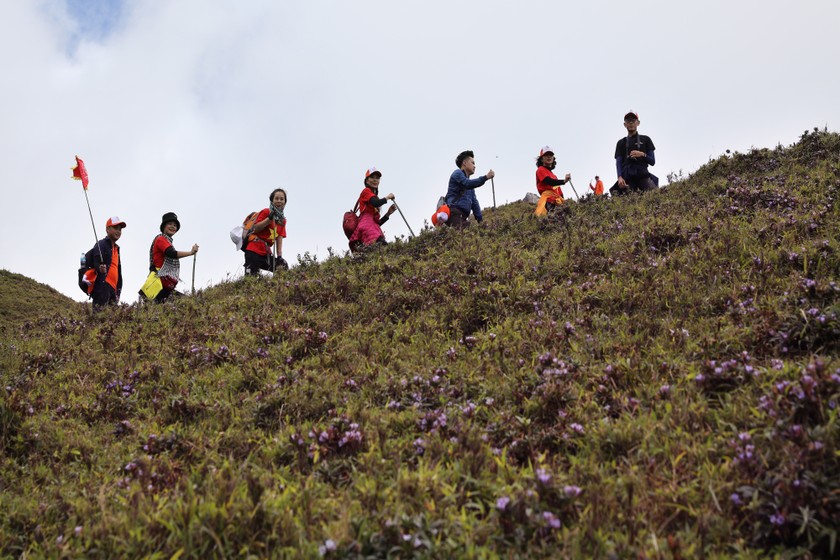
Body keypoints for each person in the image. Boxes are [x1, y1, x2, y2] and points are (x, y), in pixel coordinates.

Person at [145, 212, 198, 302]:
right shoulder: (161, 239)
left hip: (163, 286)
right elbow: (171, 253)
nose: (173, 226)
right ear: (163, 226)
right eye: (169, 224)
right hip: (158, 285)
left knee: (185, 303)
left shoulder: (166, 241)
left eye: (175, 225)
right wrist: (190, 252)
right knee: (186, 303)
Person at [349, 167, 396, 252]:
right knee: (384, 248)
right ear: (367, 180)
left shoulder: (373, 196)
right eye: (372, 177)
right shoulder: (366, 191)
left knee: (379, 251)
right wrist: (387, 197)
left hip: (370, 228)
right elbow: (376, 203)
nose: (375, 180)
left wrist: (388, 214)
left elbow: (377, 224)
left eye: (377, 178)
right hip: (367, 227)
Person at [611, 111, 658, 196]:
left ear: (638, 123)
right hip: (627, 177)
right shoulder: (621, 143)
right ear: (625, 124)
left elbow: (652, 161)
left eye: (633, 120)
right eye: (628, 121)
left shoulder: (646, 139)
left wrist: (642, 154)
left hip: (642, 175)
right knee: (626, 204)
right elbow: (618, 162)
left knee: (655, 195)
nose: (631, 123)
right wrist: (619, 177)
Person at [445, 150, 495, 228]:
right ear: (464, 163)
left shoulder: (470, 188)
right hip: (454, 213)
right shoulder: (457, 173)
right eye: (473, 163)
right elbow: (467, 183)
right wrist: (486, 177)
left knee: (469, 234)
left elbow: (475, 204)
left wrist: (481, 222)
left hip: (462, 216)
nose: (475, 166)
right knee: (464, 235)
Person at [244, 188, 288, 276]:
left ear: (285, 202)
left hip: (266, 252)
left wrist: (279, 256)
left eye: (282, 199)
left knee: (282, 267)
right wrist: (269, 219)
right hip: (253, 249)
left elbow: (279, 237)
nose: (279, 201)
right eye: (276, 198)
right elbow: (255, 228)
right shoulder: (266, 212)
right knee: (250, 278)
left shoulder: (282, 220)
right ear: (272, 200)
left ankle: (278, 288)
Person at [88, 216, 126, 309]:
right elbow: (95, 261)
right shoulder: (101, 244)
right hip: (102, 287)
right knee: (99, 318)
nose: (118, 231)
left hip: (114, 291)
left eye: (120, 229)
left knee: (110, 321)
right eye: (116, 228)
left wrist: (118, 291)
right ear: (107, 229)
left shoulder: (117, 249)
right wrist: (99, 267)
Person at [534, 146, 571, 216]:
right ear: (541, 159)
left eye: (550, 155)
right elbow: (549, 181)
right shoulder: (540, 169)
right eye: (546, 155)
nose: (549, 157)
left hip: (557, 202)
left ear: (553, 159)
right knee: (549, 220)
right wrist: (564, 181)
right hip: (548, 201)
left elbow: (560, 192)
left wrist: (563, 201)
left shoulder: (554, 176)